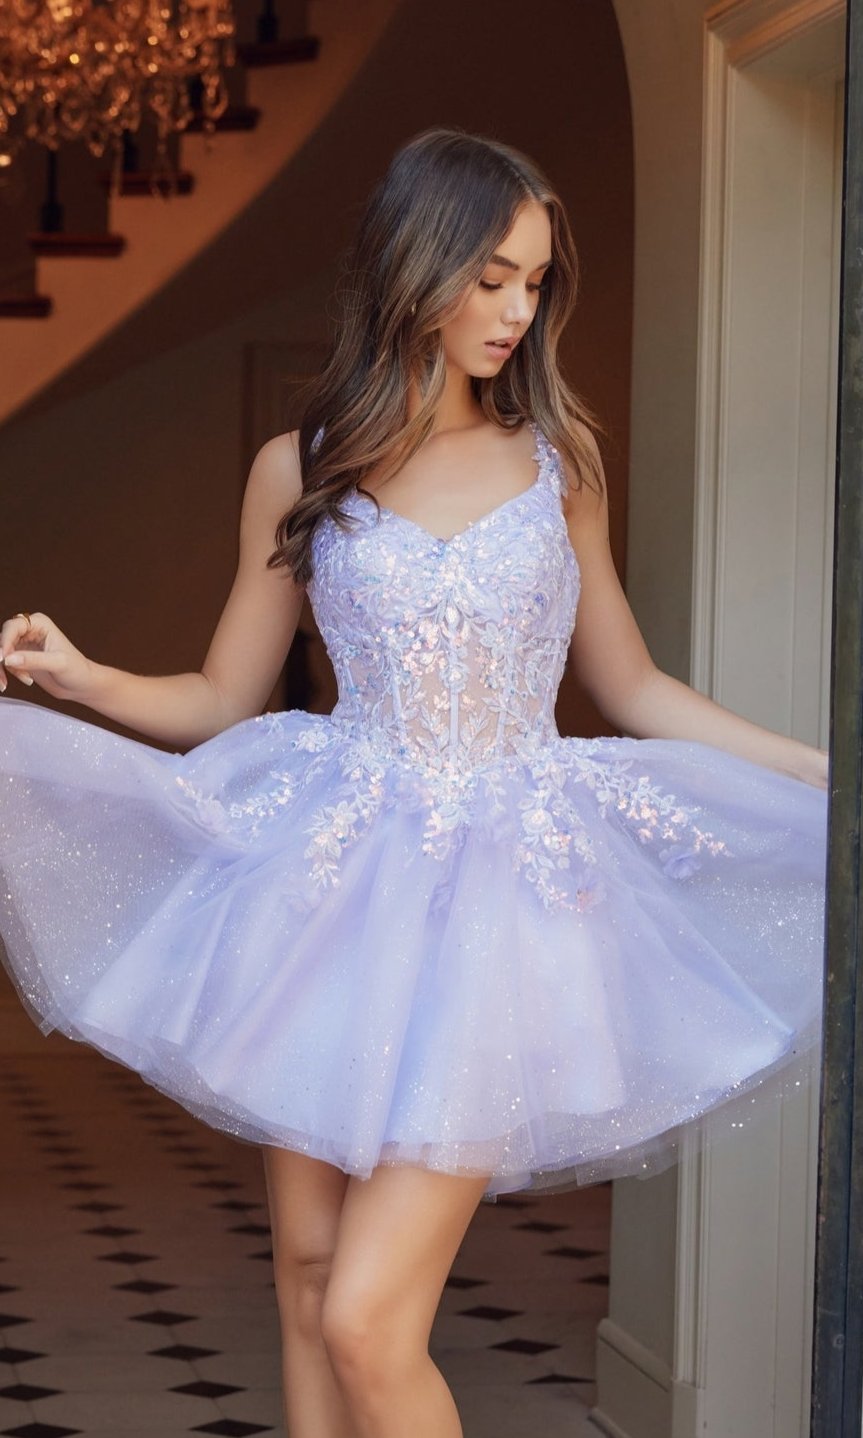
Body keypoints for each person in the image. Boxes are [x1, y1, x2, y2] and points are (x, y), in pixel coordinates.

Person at [0, 128, 827, 1438]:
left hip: (507, 906)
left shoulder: (565, 464)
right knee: (310, 1275)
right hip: (327, 886)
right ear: (416, 265)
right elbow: (222, 693)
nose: (518, 310)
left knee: (369, 1317)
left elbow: (635, 686)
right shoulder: (303, 465)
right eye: (492, 276)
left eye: (536, 282)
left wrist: (822, 775)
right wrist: (83, 675)